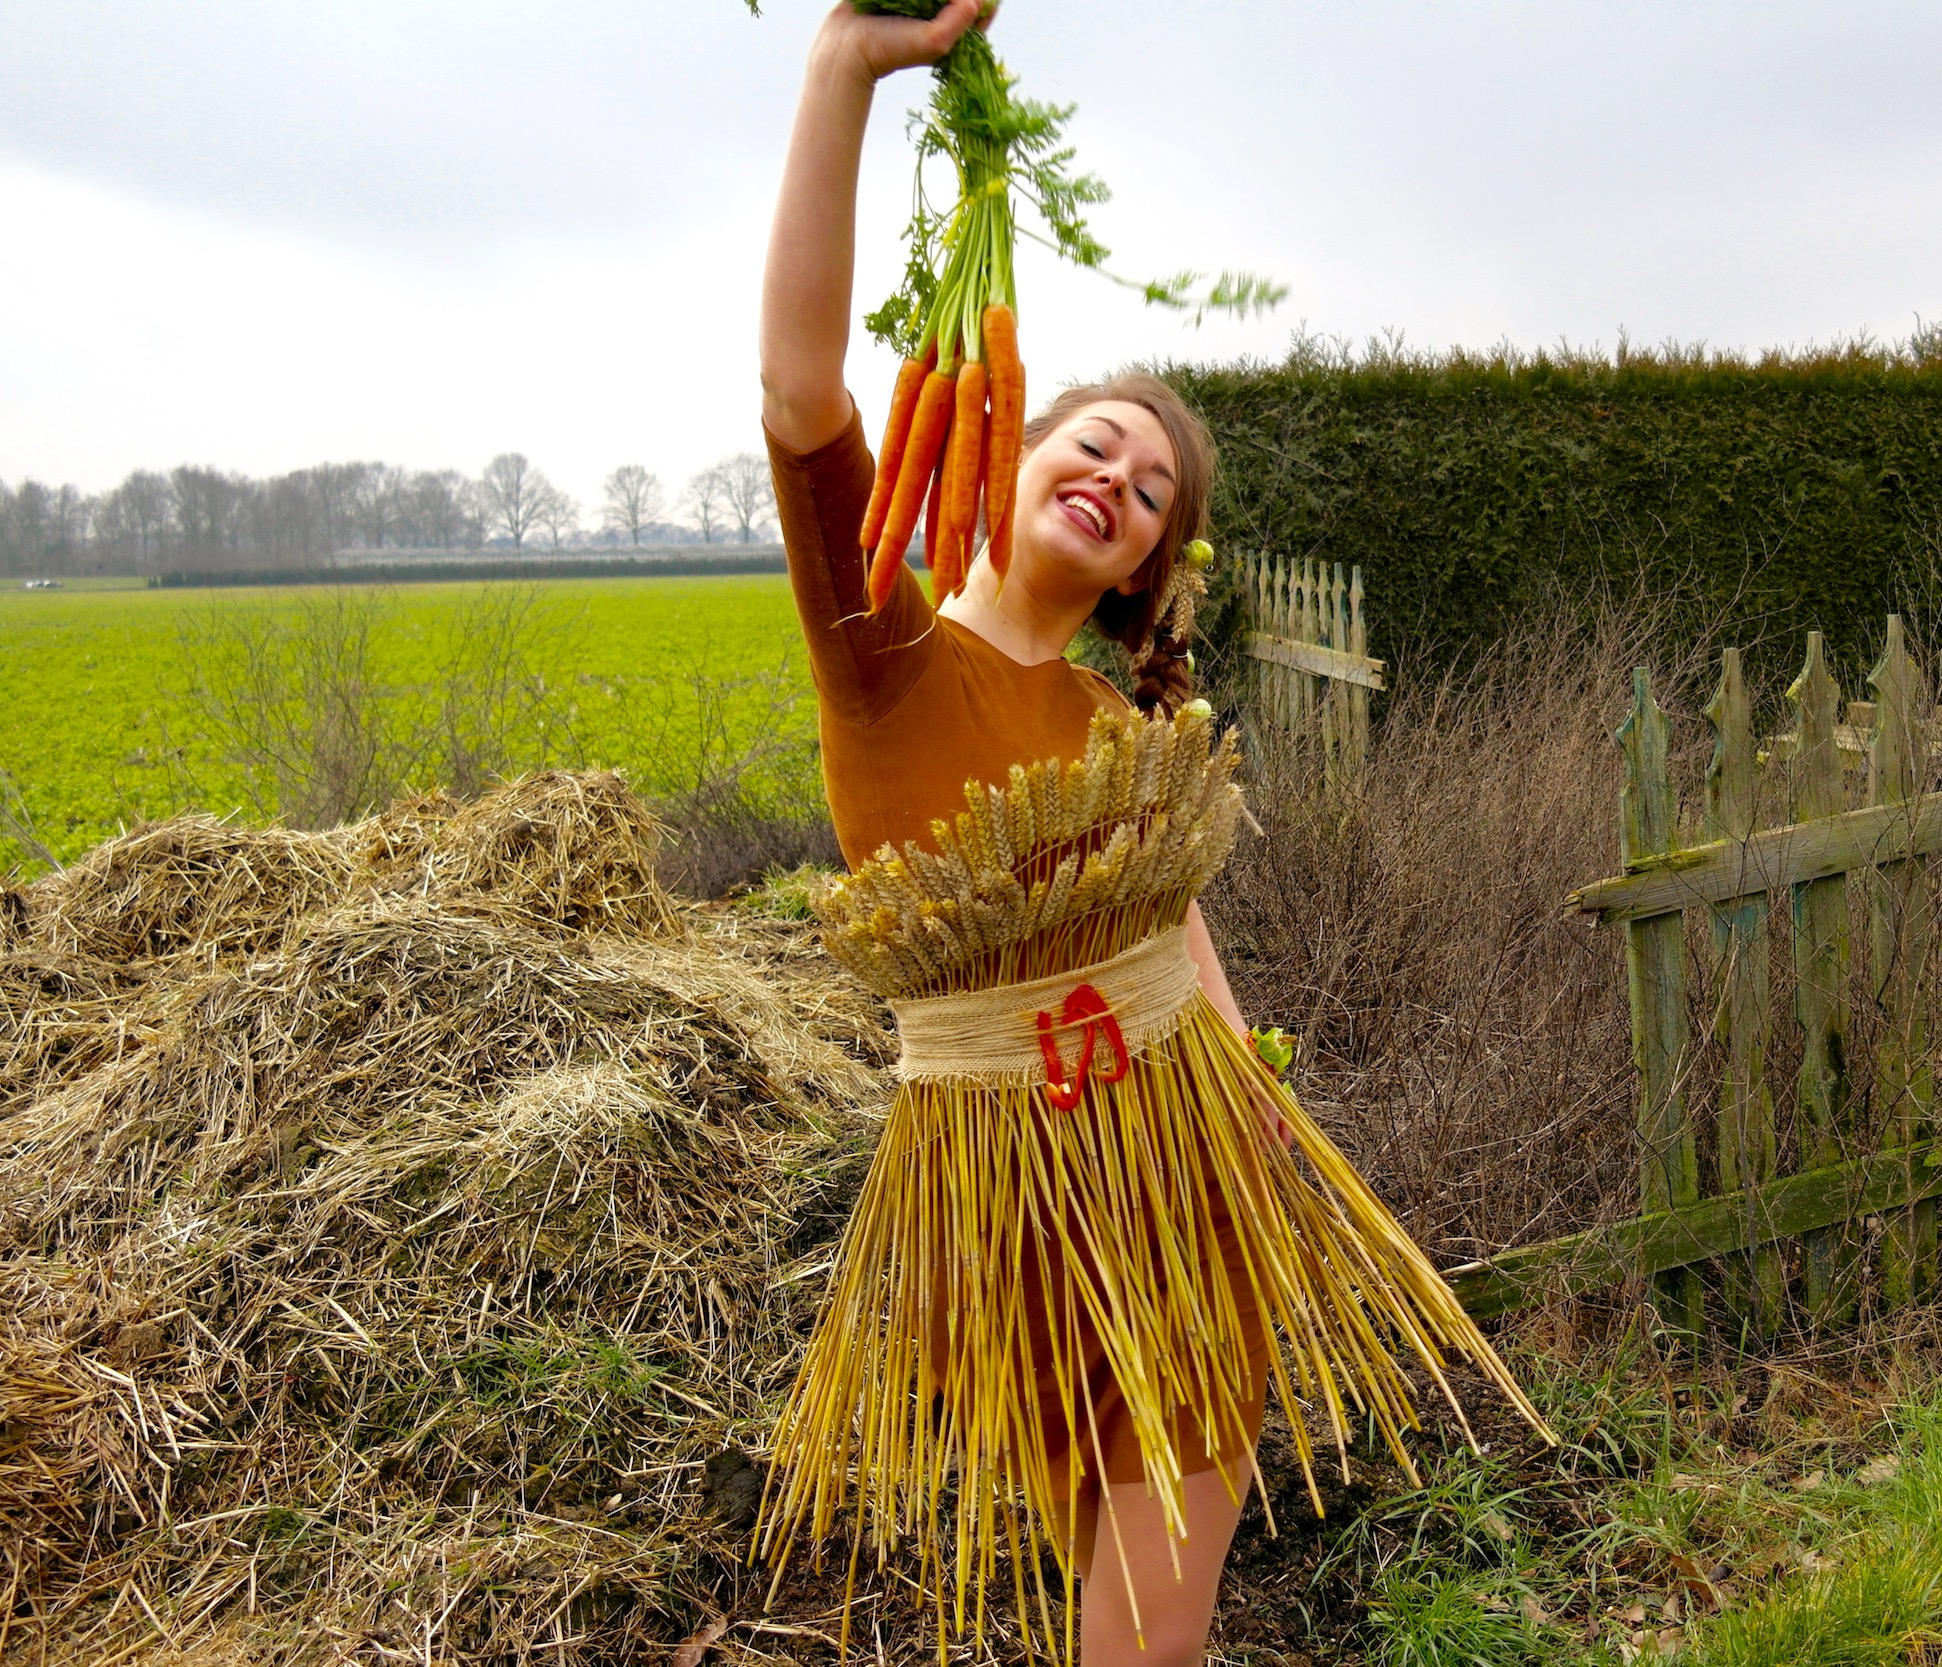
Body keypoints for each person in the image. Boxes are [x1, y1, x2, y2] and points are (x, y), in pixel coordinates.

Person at [753, 5, 1545, 1662]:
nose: (1116, 480)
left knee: (1148, 1636)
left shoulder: (1122, 730)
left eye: (1151, 493)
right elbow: (802, 390)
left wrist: (1261, 1129)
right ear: (1011, 449)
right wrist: (842, 71)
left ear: (1143, 568)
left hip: (1181, 1175)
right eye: (1093, 445)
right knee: (1117, 1619)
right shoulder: (885, 654)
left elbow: (1174, 937)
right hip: (999, 1198)